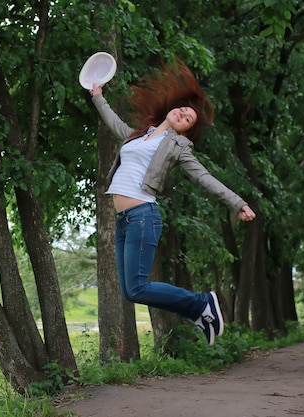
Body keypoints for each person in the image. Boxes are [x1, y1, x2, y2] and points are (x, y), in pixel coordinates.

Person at [90, 59, 256, 345]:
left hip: (143, 216)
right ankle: (197, 312)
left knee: (139, 287)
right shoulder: (139, 136)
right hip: (124, 221)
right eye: (182, 109)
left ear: (186, 131)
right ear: (172, 108)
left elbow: (204, 177)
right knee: (131, 292)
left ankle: (201, 302)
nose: (183, 113)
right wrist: (97, 97)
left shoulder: (178, 146)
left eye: (189, 118)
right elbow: (114, 123)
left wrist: (237, 203)